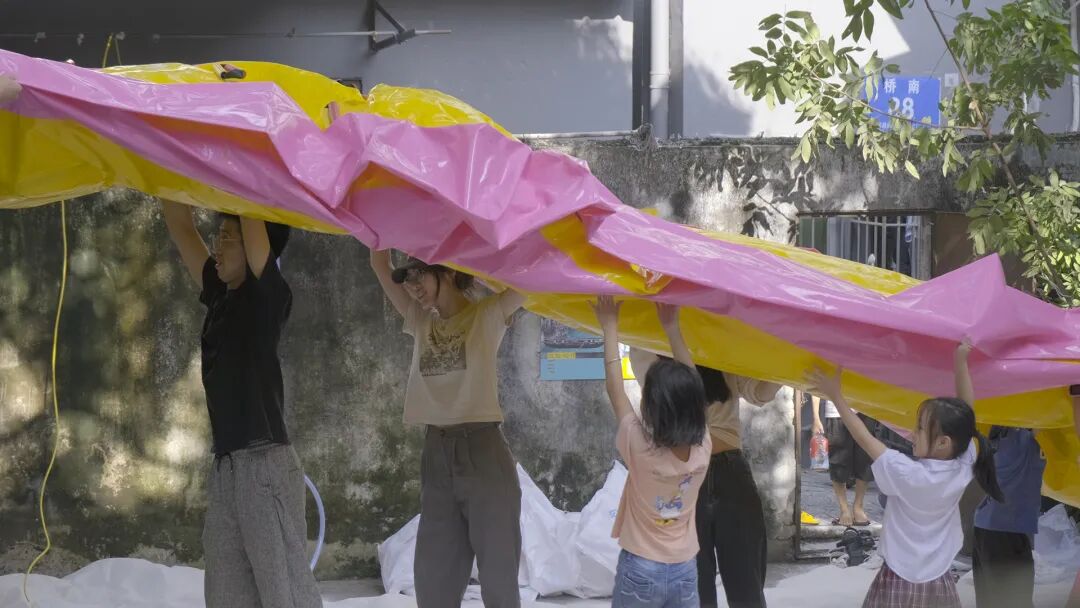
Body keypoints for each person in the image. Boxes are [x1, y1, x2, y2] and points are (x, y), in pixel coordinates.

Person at [161, 200, 321, 608]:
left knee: (283, 594)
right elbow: (181, 226)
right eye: (218, 236)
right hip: (226, 469)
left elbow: (251, 207)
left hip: (264, 466)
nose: (217, 245)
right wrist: (160, 172)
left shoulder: (266, 298)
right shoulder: (220, 296)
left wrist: (240, 173)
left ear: (254, 247)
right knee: (225, 594)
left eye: (228, 238)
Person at [369, 250, 526, 607]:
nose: (412, 286)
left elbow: (529, 283)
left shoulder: (488, 314)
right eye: (408, 278)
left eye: (419, 275)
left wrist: (473, 265)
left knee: (499, 583)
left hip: (483, 453)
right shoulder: (420, 320)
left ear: (449, 272)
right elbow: (378, 262)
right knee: (433, 583)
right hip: (436, 453)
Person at [807, 338, 1003, 608]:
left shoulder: (908, 474)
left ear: (943, 442)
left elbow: (864, 438)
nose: (912, 433)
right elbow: (967, 411)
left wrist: (836, 396)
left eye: (920, 428)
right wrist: (961, 361)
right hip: (938, 577)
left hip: (898, 576)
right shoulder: (962, 464)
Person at [630, 351, 780, 607]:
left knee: (747, 588)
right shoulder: (648, 345)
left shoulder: (718, 342)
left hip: (731, 473)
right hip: (682, 480)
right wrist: (676, 335)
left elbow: (758, 392)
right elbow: (677, 396)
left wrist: (788, 365)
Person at [593, 297, 711, 608]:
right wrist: (672, 328)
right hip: (685, 569)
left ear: (651, 409)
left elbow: (615, 389)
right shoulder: (703, 449)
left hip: (641, 568)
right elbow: (695, 391)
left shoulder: (640, 447)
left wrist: (609, 325)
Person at [970, 420, 1045, 608]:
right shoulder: (1020, 439)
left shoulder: (994, 441)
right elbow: (1044, 417)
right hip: (1005, 530)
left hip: (986, 527)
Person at [812, 396, 875, 527]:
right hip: (836, 410)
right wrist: (816, 418)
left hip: (866, 407)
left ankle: (858, 507)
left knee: (865, 458)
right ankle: (844, 509)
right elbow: (816, 386)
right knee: (838, 461)